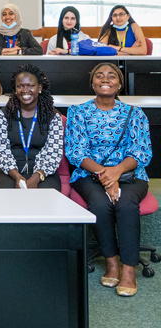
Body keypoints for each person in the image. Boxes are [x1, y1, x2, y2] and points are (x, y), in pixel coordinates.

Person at [65, 63, 152, 297]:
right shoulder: (78, 112)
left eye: (112, 76)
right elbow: (75, 152)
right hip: (88, 174)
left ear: (120, 84)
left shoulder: (135, 114)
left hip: (130, 174)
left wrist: (115, 173)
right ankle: (112, 262)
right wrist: (106, 175)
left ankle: (129, 269)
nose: (106, 79)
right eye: (99, 76)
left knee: (125, 204)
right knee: (100, 204)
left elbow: (142, 152)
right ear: (92, 83)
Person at [0, 64, 64, 191]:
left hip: (43, 172)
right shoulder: (3, 115)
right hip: (11, 170)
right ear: (15, 90)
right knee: (8, 203)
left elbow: (54, 152)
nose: (25, 90)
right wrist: (16, 176)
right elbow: (1, 151)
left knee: (44, 203)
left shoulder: (53, 117)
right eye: (20, 86)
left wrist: (36, 177)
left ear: (40, 88)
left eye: (30, 86)